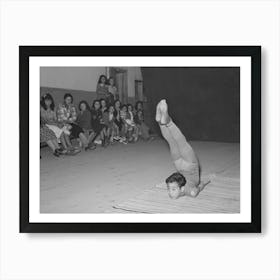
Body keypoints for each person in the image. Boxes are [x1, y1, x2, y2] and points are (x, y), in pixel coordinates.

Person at [155, 99, 208, 199]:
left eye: (169, 189)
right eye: (173, 190)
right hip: (180, 165)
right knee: (173, 141)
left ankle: (166, 122)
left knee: (179, 142)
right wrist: (205, 182)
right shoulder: (189, 192)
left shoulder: (190, 192)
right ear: (182, 189)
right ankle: (161, 122)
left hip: (188, 167)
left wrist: (202, 183)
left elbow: (199, 188)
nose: (170, 192)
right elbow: (200, 187)